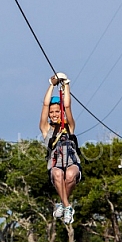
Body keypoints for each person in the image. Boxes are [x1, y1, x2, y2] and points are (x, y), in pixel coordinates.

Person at [40, 73, 81, 224]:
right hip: (55, 164)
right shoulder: (46, 129)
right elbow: (45, 105)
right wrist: (51, 85)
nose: (54, 114)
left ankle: (62, 203)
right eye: (52, 113)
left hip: (71, 161)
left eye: (57, 111)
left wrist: (66, 85)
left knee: (69, 176)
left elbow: (68, 106)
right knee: (58, 174)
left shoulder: (69, 127)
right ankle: (67, 206)